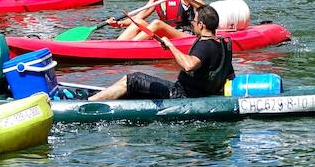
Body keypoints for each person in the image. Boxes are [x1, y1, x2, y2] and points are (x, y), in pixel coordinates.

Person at [89, 6, 234, 101]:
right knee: (135, 88)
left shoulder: (204, 45)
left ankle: (88, 103)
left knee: (133, 79)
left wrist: (170, 45)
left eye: (194, 21)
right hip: (198, 95)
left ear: (201, 25)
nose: (192, 23)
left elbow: (189, 65)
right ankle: (100, 96)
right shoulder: (222, 45)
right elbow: (230, 76)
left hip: (181, 96)